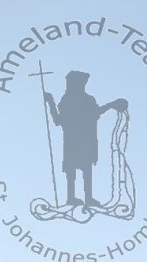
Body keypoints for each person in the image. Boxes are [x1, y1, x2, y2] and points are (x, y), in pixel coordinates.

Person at [43, 70, 128, 207]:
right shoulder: (67, 100)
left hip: (86, 141)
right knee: (72, 170)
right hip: (72, 141)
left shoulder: (88, 100)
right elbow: (58, 120)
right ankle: (71, 198)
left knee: (87, 170)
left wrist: (112, 105)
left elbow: (95, 112)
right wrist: (50, 101)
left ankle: (88, 198)